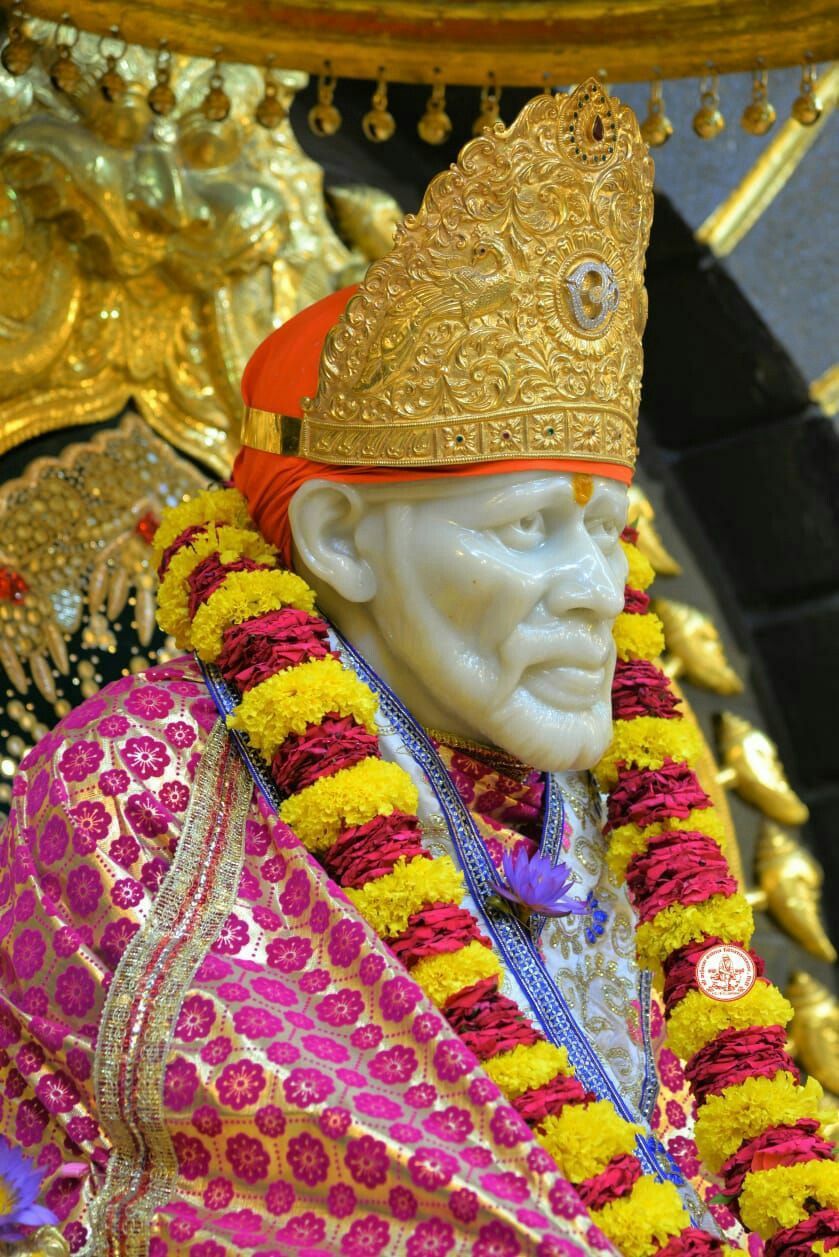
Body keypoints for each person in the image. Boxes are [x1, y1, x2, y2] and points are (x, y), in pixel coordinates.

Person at [2, 82, 835, 1257]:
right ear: (341, 538)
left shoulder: (615, 802)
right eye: (526, 528)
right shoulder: (136, 788)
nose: (598, 589)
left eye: (606, 530)